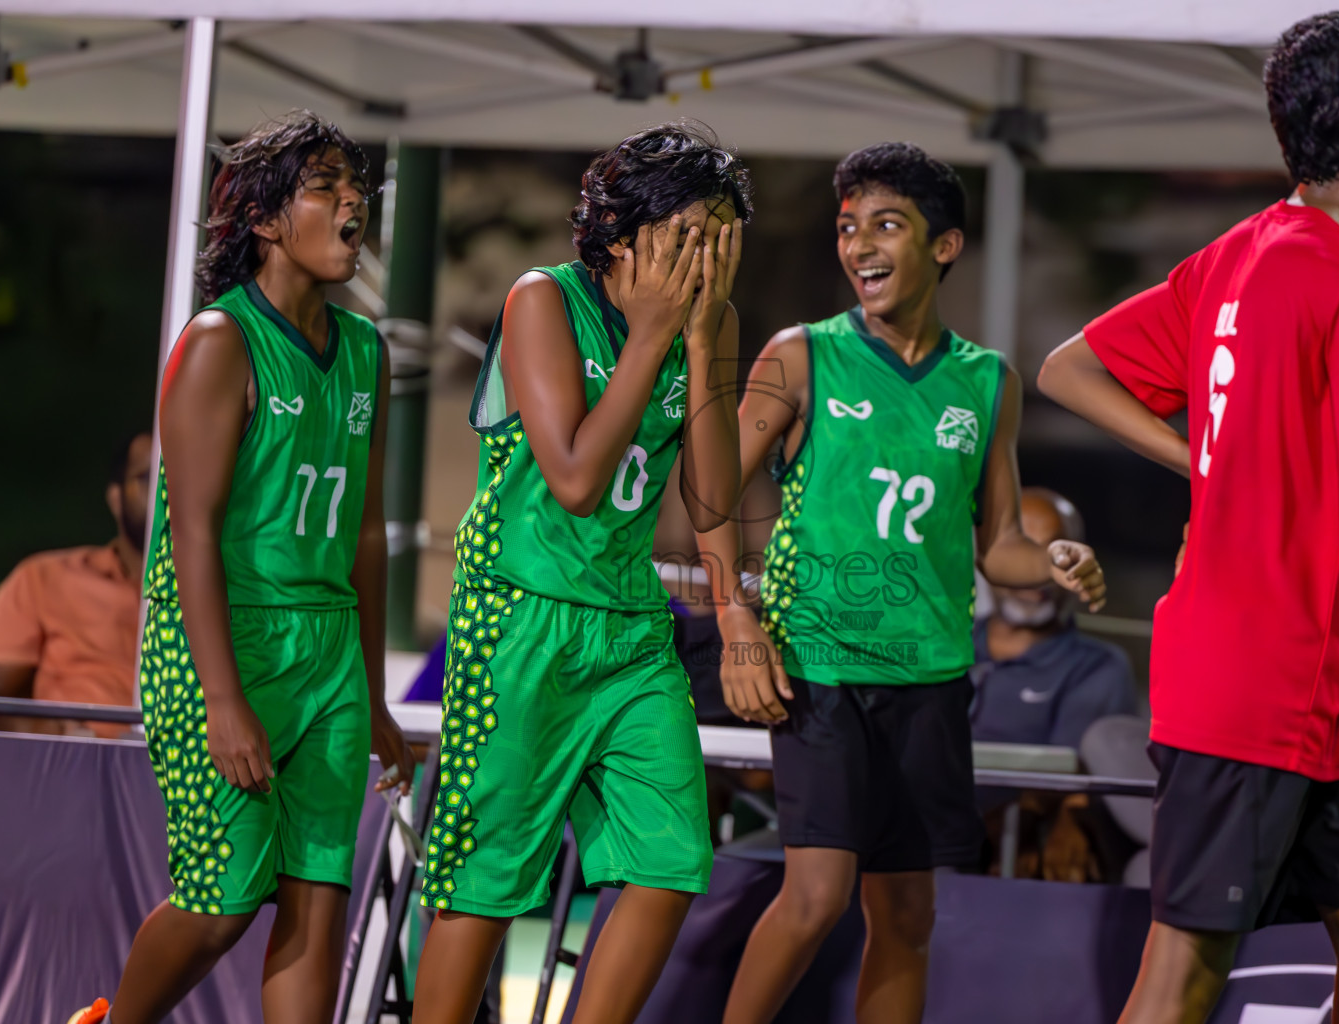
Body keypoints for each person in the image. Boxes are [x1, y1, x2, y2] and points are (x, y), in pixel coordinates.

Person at [1039, 13, 1339, 1024]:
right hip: (1253, 686)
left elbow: (1068, 368)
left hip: (1315, 696)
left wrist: (1211, 462)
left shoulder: (1236, 253)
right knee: (1181, 979)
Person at [697, 142, 1106, 1024]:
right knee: (814, 897)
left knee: (909, 914)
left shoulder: (987, 380)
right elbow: (708, 491)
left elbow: (998, 544)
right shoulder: (801, 355)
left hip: (929, 680)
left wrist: (1054, 560)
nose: (860, 246)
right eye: (849, 228)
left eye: (886, 225)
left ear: (946, 246)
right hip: (822, 669)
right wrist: (739, 621)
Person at [408, 122, 750, 1024]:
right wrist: (650, 340)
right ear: (629, 232)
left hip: (630, 630)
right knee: (488, 878)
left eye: (722, 236)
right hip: (521, 617)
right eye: (691, 233)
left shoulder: (707, 323)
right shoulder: (543, 300)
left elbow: (714, 496)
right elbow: (573, 477)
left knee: (671, 861)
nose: (707, 255)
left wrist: (705, 344)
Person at [86, 111, 415, 1024]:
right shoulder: (221, 341)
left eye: (359, 188)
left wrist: (373, 692)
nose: (354, 203)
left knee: (320, 894)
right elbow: (186, 529)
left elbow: (366, 530)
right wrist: (223, 697)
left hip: (330, 651)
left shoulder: (365, 350)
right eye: (327, 186)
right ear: (268, 219)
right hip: (224, 643)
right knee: (223, 901)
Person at [969, 487, 1138, 882]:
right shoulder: (944, 646)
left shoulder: (1097, 667)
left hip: (1003, 849)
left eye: (1055, 552)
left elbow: (1069, 780)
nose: (1036, 571)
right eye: (1024, 550)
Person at [0, 431, 150, 737]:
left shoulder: (235, 593)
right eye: (150, 478)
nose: (167, 490)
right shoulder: (45, 579)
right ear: (115, 498)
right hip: (74, 769)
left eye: (177, 475)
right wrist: (43, 729)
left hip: (191, 769)